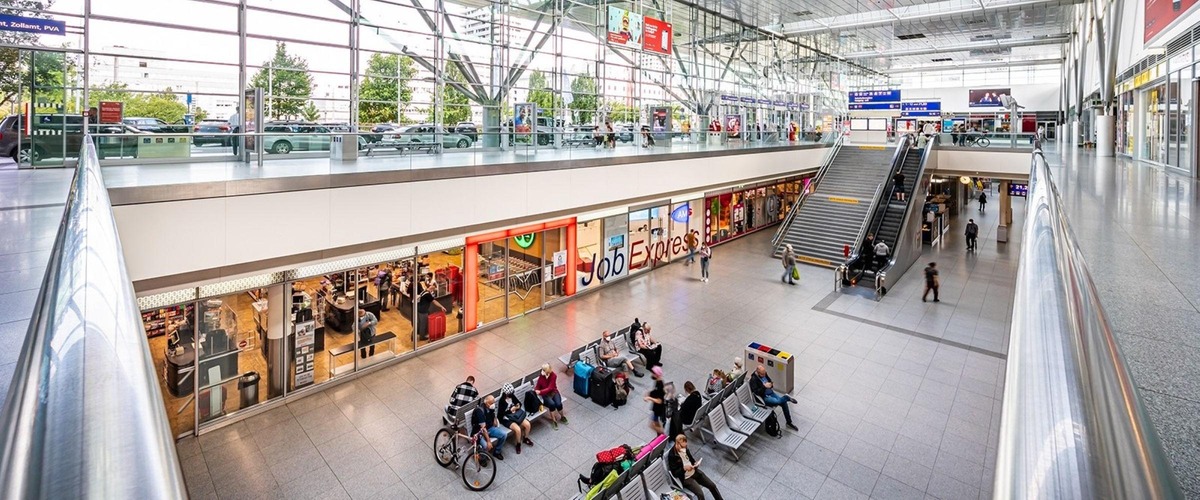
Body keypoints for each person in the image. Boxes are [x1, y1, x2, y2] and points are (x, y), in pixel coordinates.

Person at [668, 435, 725, 500]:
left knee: (712, 485)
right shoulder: (672, 455)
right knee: (700, 494)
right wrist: (684, 469)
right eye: (682, 447)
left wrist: (695, 463)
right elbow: (675, 473)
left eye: (685, 446)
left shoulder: (685, 448)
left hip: (693, 471)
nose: (684, 449)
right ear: (677, 444)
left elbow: (691, 459)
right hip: (686, 478)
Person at [749, 364, 799, 431]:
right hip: (764, 397)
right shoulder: (753, 380)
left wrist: (771, 384)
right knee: (778, 402)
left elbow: (770, 381)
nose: (764, 375)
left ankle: (789, 422)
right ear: (758, 373)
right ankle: (786, 397)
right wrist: (764, 387)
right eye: (762, 374)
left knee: (783, 403)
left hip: (771, 393)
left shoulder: (764, 373)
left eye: (764, 373)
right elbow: (756, 392)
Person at [497, 384, 534, 454]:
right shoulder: (502, 401)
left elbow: (518, 403)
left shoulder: (512, 396)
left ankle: (525, 438)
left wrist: (517, 406)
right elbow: (500, 415)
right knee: (518, 429)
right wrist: (510, 410)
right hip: (507, 419)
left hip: (516, 415)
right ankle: (518, 444)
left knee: (527, 424)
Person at [472, 395, 507, 460]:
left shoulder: (490, 408)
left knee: (504, 434)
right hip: (480, 432)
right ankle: (482, 458)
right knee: (486, 446)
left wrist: (494, 416)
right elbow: (483, 428)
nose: (493, 405)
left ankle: (497, 452)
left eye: (493, 403)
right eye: (491, 403)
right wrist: (488, 441)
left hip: (490, 428)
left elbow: (494, 422)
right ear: (486, 403)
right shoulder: (480, 411)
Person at [534, 364, 568, 429]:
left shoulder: (553, 376)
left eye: (544, 370)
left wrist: (540, 392)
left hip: (553, 392)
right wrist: (536, 390)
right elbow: (538, 386)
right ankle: (554, 421)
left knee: (558, 404)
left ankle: (562, 416)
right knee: (552, 404)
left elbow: (550, 388)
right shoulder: (541, 376)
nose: (542, 371)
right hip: (545, 395)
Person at [644, 366, 666, 435]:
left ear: (656, 374)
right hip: (656, 409)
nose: (652, 375)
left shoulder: (660, 386)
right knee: (655, 423)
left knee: (652, 425)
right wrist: (649, 393)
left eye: (653, 373)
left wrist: (649, 398)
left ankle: (663, 435)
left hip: (659, 409)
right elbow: (655, 392)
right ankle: (660, 436)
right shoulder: (657, 382)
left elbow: (659, 401)